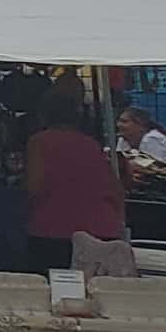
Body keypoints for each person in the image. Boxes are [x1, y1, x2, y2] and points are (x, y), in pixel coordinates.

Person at [20, 89, 127, 270]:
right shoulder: (91, 144)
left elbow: (34, 186)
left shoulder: (39, 142)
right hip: (102, 230)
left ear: (43, 115)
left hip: (55, 229)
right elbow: (115, 188)